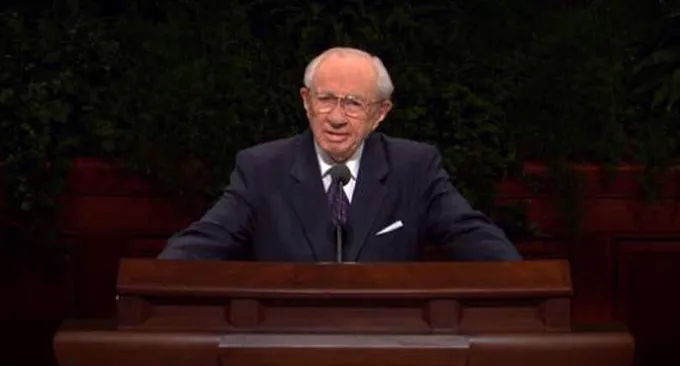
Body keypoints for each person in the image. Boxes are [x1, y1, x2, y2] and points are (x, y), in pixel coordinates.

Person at [158, 47, 521, 262]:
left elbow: (472, 235)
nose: (335, 117)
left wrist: (526, 283)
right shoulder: (262, 169)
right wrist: (149, 281)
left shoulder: (414, 168)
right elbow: (208, 238)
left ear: (380, 113)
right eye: (326, 99)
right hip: (287, 343)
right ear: (306, 101)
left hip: (388, 344)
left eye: (353, 104)